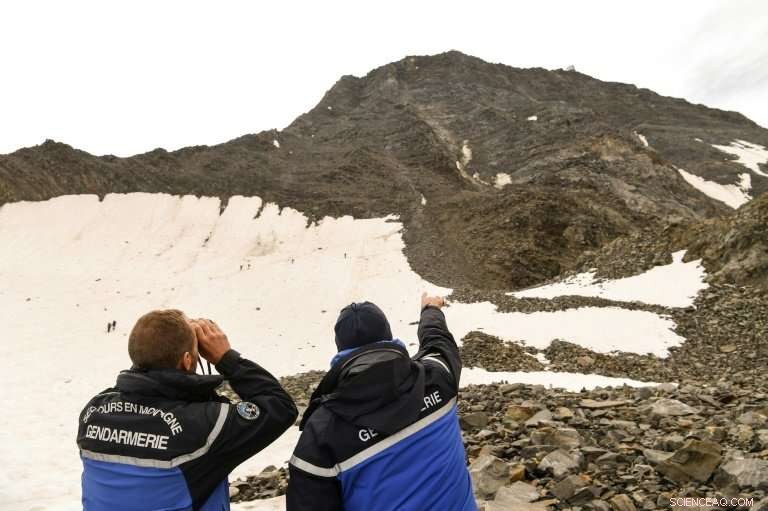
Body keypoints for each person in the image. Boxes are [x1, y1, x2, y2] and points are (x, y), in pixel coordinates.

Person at [77, 309, 297, 510]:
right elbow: (279, 406)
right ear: (187, 360)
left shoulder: (93, 412)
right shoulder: (206, 427)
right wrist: (225, 358)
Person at [286, 294, 477, 510]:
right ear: (388, 335)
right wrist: (431, 309)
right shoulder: (437, 376)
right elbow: (438, 339)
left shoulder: (323, 432)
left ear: (340, 349)